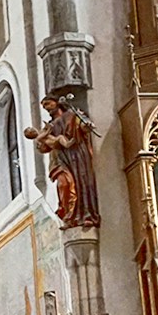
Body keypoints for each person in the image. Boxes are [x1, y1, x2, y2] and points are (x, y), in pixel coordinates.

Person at [24, 94, 101, 228]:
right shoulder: (49, 126)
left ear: (56, 102)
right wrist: (41, 140)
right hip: (60, 159)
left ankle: (86, 214)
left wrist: (85, 126)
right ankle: (69, 215)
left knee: (82, 182)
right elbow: (43, 148)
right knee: (64, 184)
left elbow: (82, 126)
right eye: (44, 106)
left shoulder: (71, 115)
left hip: (77, 155)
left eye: (48, 104)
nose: (46, 108)